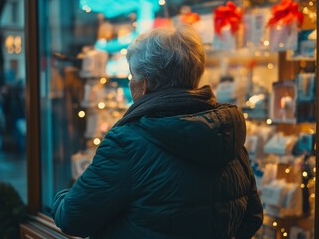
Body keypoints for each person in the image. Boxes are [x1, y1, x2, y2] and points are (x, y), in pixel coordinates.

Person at [52, 25, 263, 239]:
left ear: (145, 85)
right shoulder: (227, 133)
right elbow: (251, 219)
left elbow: (72, 218)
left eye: (132, 76)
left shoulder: (127, 143)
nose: (131, 82)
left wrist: (64, 194)